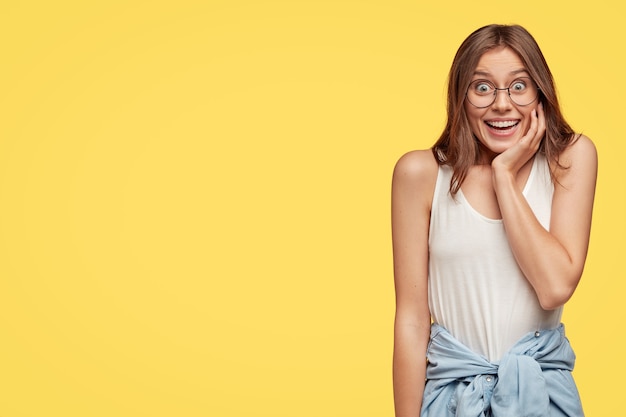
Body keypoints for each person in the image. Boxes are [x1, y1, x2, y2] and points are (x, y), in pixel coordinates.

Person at [391, 24, 597, 417]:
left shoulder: (570, 160)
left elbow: (555, 287)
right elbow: (412, 320)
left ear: (539, 91)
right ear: (461, 97)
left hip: (542, 399)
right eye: (482, 87)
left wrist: (504, 176)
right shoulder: (419, 174)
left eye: (518, 86)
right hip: (450, 402)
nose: (501, 104)